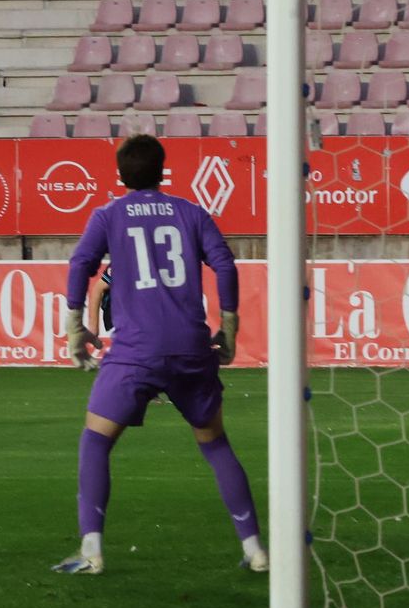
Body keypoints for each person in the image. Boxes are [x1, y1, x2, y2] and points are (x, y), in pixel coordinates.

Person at [53, 134, 266, 576]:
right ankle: (255, 549)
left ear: (120, 175)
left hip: (136, 352)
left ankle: (91, 550)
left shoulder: (109, 214)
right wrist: (228, 328)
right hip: (190, 347)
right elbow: (225, 264)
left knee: (95, 441)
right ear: (162, 170)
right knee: (216, 444)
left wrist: (76, 327)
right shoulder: (190, 211)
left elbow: (81, 265)